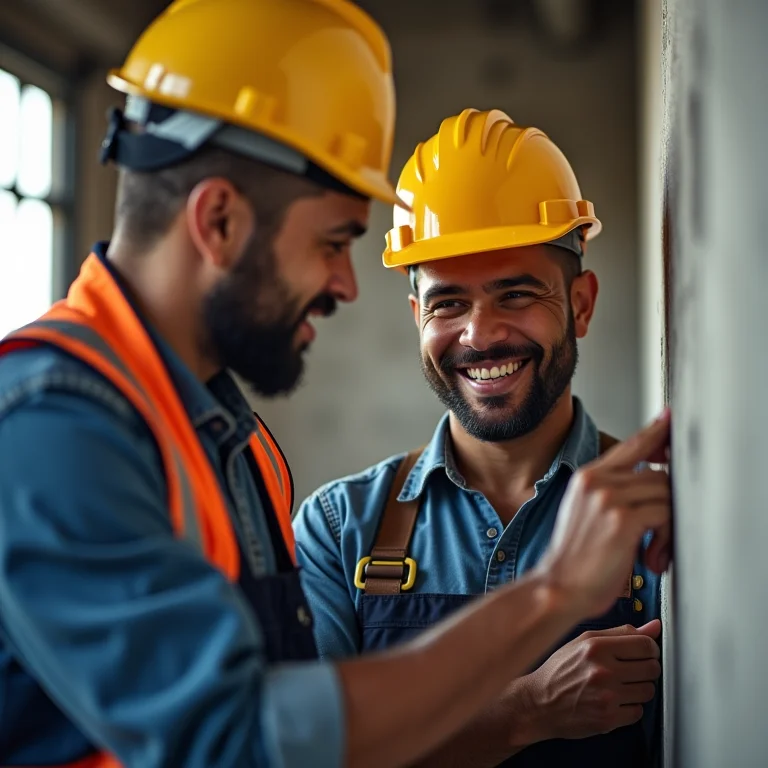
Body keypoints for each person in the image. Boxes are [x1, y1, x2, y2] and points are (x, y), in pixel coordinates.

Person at [0, 2, 671, 765]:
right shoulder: (51, 426)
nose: (346, 286)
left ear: (580, 305)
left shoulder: (231, 440)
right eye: (332, 242)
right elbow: (242, 742)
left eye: (515, 293)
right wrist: (549, 603)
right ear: (218, 222)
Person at [294, 108, 667, 767]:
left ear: (580, 304)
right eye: (448, 303)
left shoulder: (654, 518)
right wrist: (529, 712)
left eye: (516, 295)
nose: (479, 334)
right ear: (418, 316)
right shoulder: (338, 531)